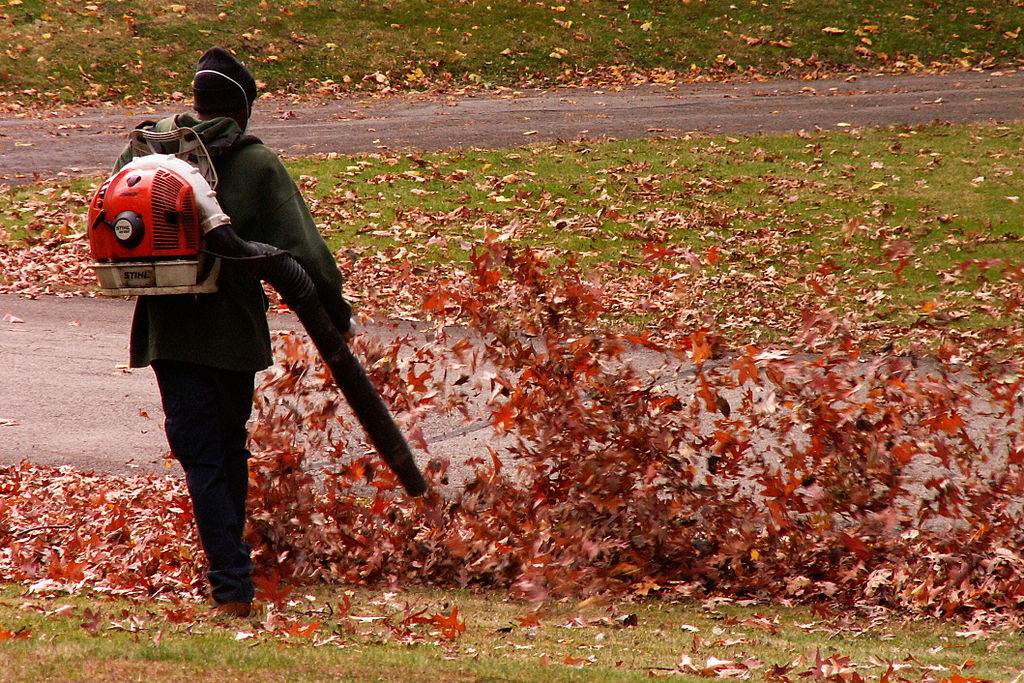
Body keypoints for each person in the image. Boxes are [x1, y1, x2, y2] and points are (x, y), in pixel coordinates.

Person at [113, 46, 352, 617]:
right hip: (232, 332)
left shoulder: (143, 153)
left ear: (198, 101)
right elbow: (306, 254)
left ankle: (229, 575)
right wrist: (335, 316)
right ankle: (232, 584)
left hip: (166, 330)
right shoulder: (254, 161)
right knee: (224, 449)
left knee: (202, 454)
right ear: (242, 110)